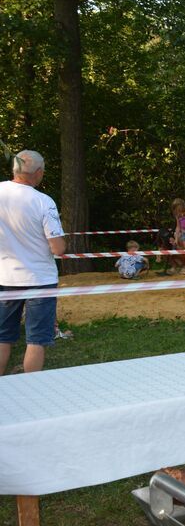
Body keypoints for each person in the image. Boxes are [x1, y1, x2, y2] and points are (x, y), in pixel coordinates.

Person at [0, 150, 66, 375]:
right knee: (36, 340)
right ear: (38, 173)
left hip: (5, 276)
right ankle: (31, 392)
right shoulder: (43, 201)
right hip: (40, 279)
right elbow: (58, 248)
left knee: (2, 337)